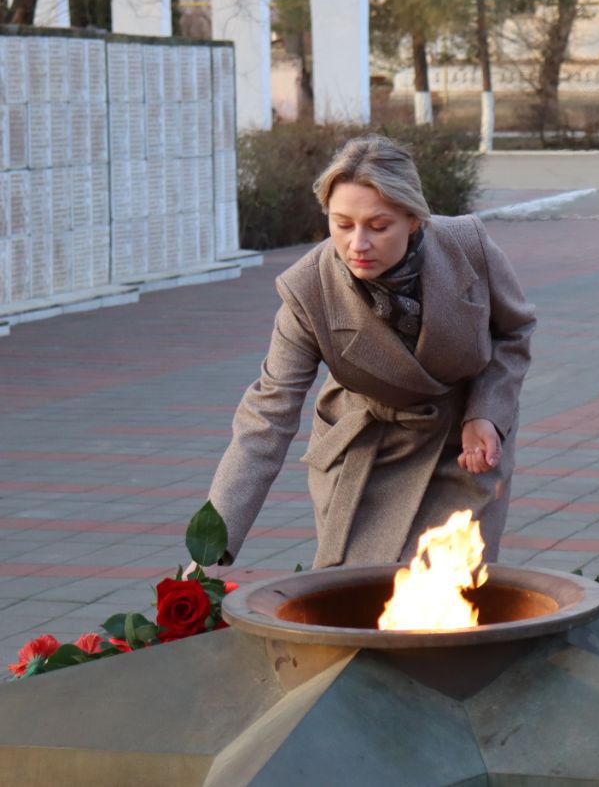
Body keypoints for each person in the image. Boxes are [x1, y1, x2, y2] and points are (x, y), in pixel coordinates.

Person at [205, 134, 536, 568]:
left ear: (415, 219)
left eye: (378, 227)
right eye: (342, 225)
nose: (357, 244)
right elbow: (267, 416)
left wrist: (486, 412)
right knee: (358, 595)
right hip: (366, 450)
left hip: (464, 445)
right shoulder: (308, 291)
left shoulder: (467, 247)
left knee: (443, 596)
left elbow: (514, 331)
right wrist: (209, 549)